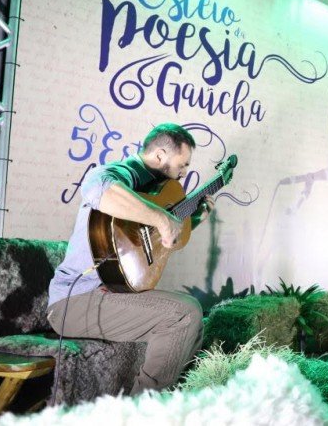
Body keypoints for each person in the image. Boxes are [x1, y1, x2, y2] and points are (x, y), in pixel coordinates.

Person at [47, 123, 214, 393]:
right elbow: (98, 188)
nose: (184, 173)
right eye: (182, 165)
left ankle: (175, 405)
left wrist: (192, 219)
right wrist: (161, 219)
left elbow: (160, 239)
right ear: (160, 155)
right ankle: (141, 411)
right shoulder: (121, 172)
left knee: (193, 326)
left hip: (109, 294)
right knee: (183, 314)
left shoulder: (154, 190)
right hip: (74, 302)